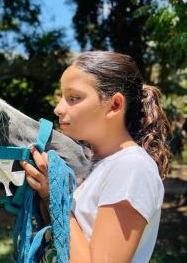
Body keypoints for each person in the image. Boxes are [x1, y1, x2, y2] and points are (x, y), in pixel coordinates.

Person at [20, 51, 172, 262]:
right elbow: (65, 237)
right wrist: (47, 194)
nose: (58, 109)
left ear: (115, 105)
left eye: (73, 98)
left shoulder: (131, 167)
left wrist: (55, 196)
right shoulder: (97, 164)